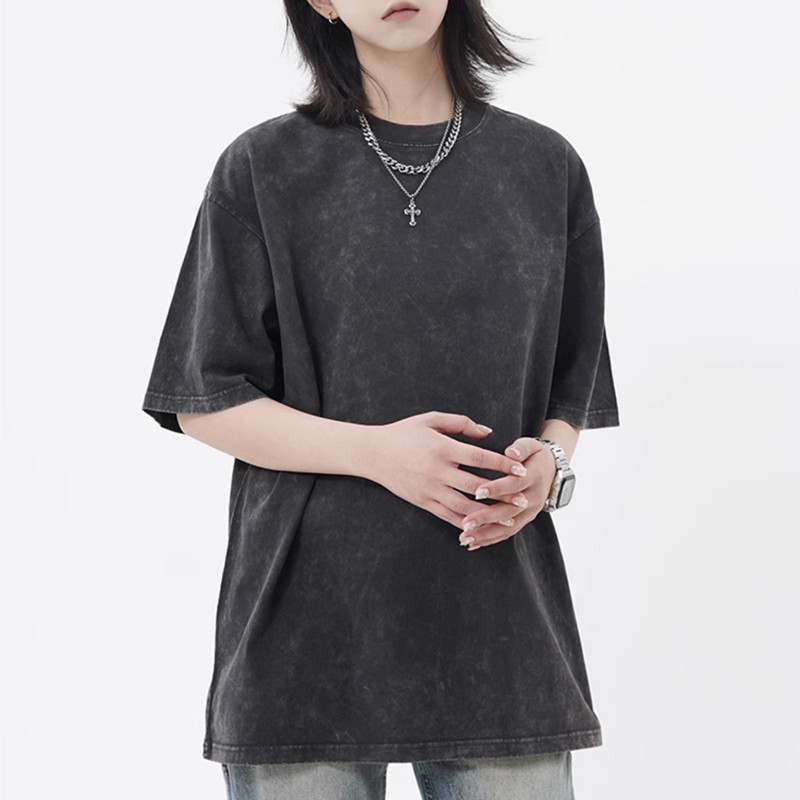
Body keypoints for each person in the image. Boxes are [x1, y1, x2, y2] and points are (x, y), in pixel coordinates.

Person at [141, 0, 620, 797]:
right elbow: (204, 396)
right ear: (322, 2)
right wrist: (376, 453)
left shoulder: (544, 166)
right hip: (304, 628)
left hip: (499, 619)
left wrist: (548, 465)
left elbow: (573, 385)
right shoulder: (264, 167)